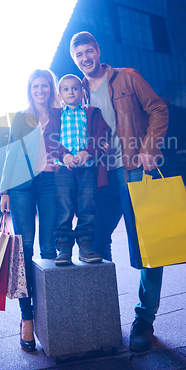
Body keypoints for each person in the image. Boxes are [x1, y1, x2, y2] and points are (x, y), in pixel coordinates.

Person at [70, 31, 169, 352]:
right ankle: (105, 314)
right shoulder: (78, 92)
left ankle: (144, 320)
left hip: (133, 169)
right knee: (94, 241)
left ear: (98, 50)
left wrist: (149, 146)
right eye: (78, 55)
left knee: (149, 246)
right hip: (99, 177)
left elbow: (158, 109)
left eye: (88, 51)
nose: (85, 58)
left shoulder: (127, 78)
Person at [0, 69, 60, 352]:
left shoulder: (61, 114)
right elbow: (12, 151)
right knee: (24, 249)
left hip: (50, 182)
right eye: (36, 86)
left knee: (49, 247)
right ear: (30, 89)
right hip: (22, 184)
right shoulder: (22, 118)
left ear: (51, 88)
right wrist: (4, 190)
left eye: (45, 86)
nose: (40, 90)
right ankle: (26, 318)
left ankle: (50, 313)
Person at [44, 74, 110, 265]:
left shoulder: (91, 112)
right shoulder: (56, 115)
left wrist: (87, 152)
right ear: (60, 94)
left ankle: (86, 247)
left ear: (82, 92)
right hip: (64, 169)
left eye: (75, 88)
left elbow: (103, 133)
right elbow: (49, 138)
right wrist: (63, 155)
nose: (71, 91)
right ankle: (64, 248)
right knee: (63, 208)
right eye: (66, 89)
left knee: (87, 207)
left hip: (87, 168)